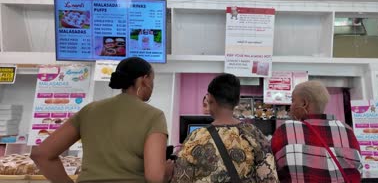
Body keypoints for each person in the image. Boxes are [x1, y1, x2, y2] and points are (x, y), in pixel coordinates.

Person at [31, 57, 173, 183]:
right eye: (152, 80)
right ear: (145, 80)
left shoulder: (89, 110)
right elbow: (155, 177)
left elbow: (41, 154)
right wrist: (167, 170)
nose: (152, 86)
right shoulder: (154, 116)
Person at [173, 73, 279, 183]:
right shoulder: (254, 134)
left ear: (209, 99)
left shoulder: (195, 138)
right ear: (238, 101)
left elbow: (181, 178)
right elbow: (270, 178)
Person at [271, 80, 362, 183]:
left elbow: (271, 169)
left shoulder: (287, 129)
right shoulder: (347, 130)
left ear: (304, 103)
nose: (290, 107)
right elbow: (358, 169)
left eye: (293, 101)